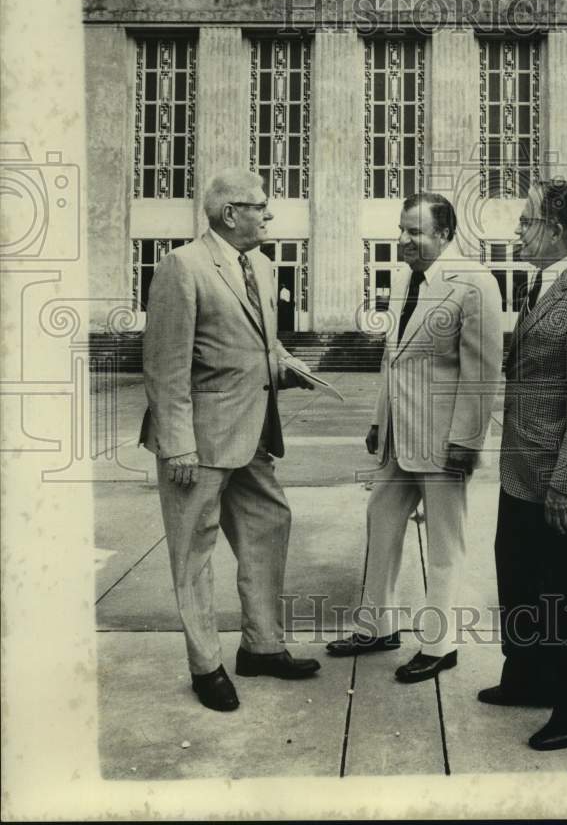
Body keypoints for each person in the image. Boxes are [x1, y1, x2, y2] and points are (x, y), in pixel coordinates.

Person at [140, 167, 319, 712]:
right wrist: (178, 446)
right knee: (194, 554)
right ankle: (206, 666)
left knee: (271, 524)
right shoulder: (183, 266)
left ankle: (262, 647)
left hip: (253, 434)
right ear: (229, 214)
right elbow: (164, 367)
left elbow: (258, 341)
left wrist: (285, 362)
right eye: (260, 205)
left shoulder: (261, 267)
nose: (269, 214)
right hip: (198, 442)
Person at [327, 193, 503, 683]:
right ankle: (376, 627)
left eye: (415, 233)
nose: (403, 240)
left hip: (443, 441)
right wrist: (378, 420)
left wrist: (468, 441)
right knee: (380, 523)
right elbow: (394, 357)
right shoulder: (405, 279)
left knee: (446, 544)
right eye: (401, 230)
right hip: (397, 438)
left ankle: (440, 643)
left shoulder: (475, 283)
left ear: (445, 235)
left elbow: (482, 371)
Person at [480, 179, 567, 751]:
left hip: (561, 479)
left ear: (557, 230)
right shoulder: (544, 284)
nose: (517, 229)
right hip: (522, 470)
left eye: (526, 221)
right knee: (518, 582)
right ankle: (531, 678)